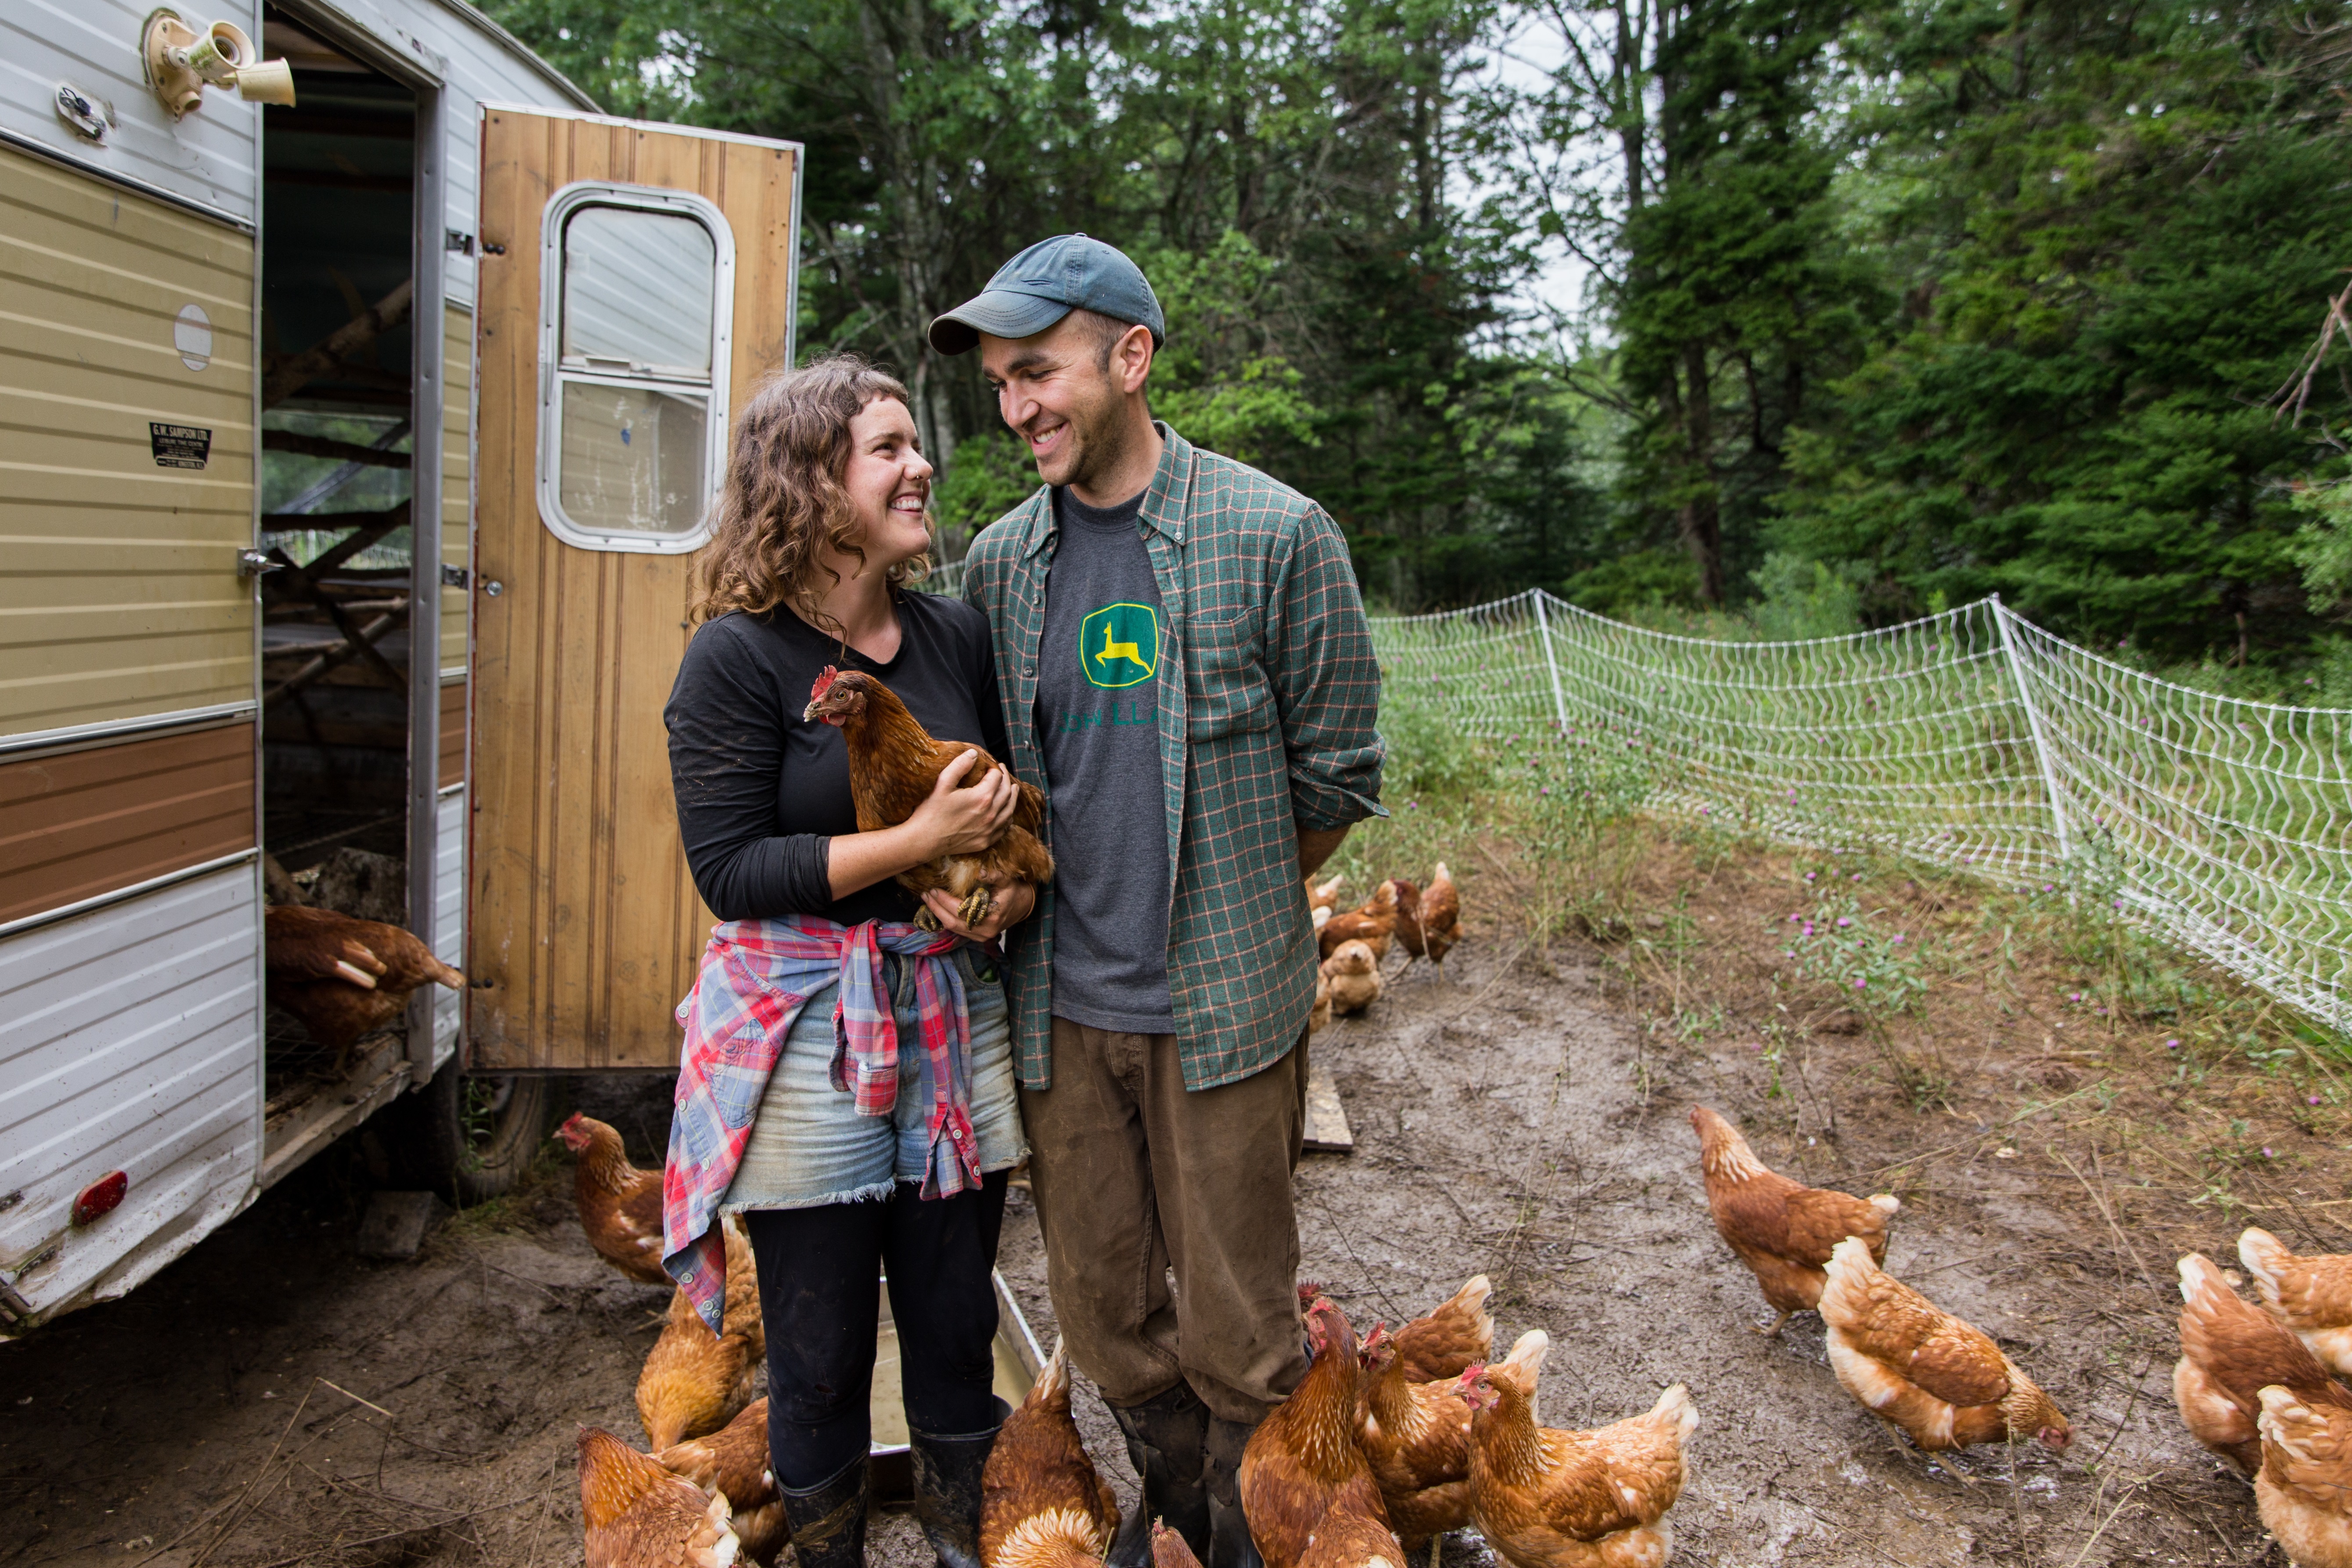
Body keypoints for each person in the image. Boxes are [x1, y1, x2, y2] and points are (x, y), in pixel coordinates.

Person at [931, 235, 1385, 1568]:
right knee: (1108, 1315)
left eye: (1037, 371)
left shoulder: (1274, 534)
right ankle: (1175, 1506)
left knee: (1243, 1326)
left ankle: (1250, 1529)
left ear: (1130, 358)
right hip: (1062, 1013)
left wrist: (1237, 901)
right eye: (1002, 386)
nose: (1015, 407)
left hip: (1223, 1009)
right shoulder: (1002, 563)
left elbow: (1338, 775)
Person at [660, 356, 1039, 1568]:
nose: (920, 465)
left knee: (949, 1320)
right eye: (887, 448)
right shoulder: (737, 659)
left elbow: (1015, 813)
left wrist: (1011, 888)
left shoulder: (952, 632)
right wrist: (913, 842)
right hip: (813, 1025)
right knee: (820, 1349)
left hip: (945, 1006)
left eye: (913, 445)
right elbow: (729, 869)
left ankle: (959, 1546)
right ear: (812, 483)